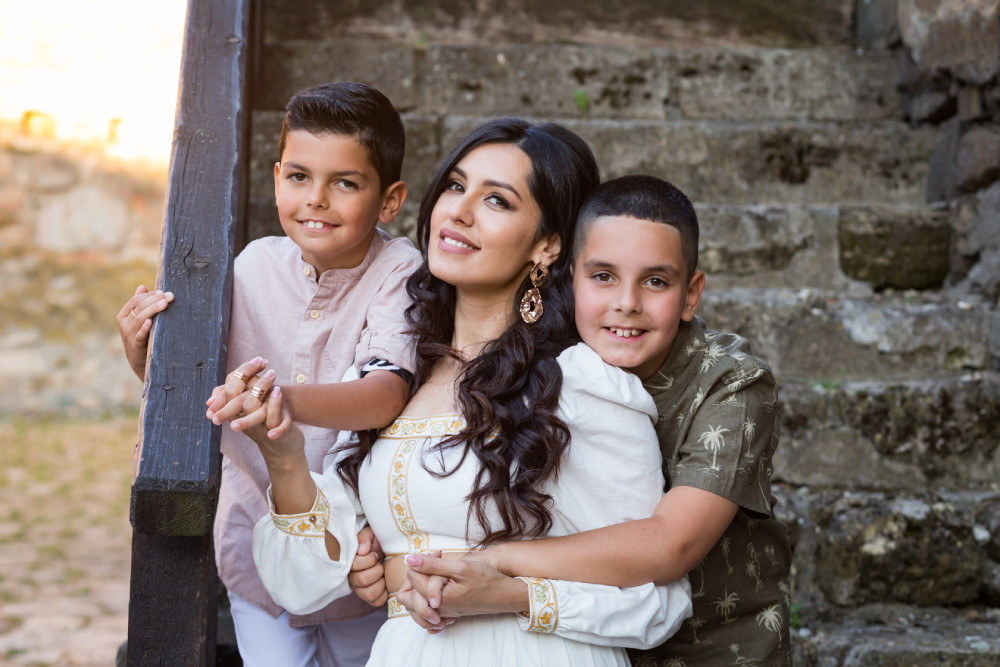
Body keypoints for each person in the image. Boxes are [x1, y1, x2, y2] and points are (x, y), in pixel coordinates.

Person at [231, 118, 693, 666]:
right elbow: (301, 584)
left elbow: (657, 596)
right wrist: (284, 457)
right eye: (455, 186)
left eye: (497, 200)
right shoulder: (391, 377)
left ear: (547, 245)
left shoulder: (580, 384)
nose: (458, 211)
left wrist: (511, 593)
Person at [392, 174, 794, 665]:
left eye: (655, 281)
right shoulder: (556, 363)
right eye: (603, 276)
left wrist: (494, 560)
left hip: (715, 649)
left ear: (691, 295)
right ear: (569, 279)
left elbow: (673, 543)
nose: (626, 303)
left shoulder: (731, 383)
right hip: (585, 634)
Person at [118, 81, 421, 667]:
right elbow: (210, 393)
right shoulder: (252, 266)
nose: (316, 200)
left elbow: (385, 394)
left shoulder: (401, 273)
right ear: (278, 177)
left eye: (345, 183)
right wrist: (144, 358)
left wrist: (281, 400)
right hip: (255, 543)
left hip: (358, 555)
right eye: (300, 177)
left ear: (390, 200)